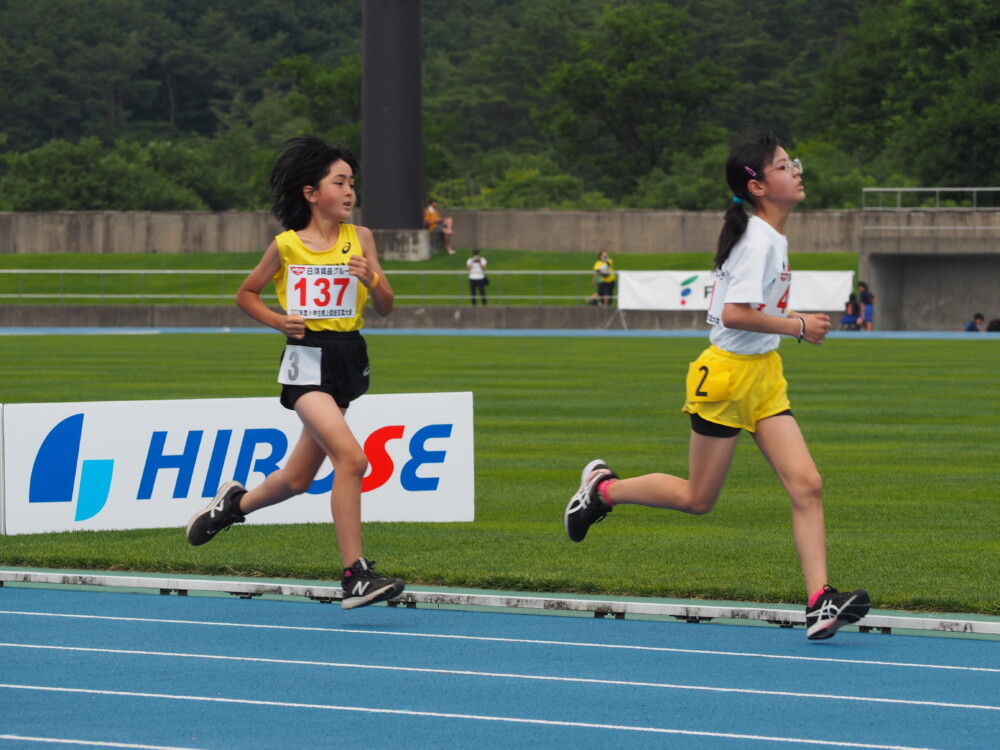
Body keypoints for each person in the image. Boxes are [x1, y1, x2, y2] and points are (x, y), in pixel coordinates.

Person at [563, 132, 870, 641]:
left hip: (763, 376)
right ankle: (603, 491)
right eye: (782, 166)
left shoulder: (768, 236)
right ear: (756, 186)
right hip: (726, 378)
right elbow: (733, 314)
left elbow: (748, 310)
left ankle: (820, 600)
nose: (795, 170)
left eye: (791, 163)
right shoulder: (756, 239)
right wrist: (798, 327)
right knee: (698, 498)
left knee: (807, 485)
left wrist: (790, 322)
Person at [185, 136, 404, 611]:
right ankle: (356, 574)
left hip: (348, 355)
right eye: (339, 182)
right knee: (352, 460)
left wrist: (373, 281)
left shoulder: (361, 238)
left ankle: (232, 506)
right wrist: (278, 320)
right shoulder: (285, 246)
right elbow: (246, 294)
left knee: (297, 479)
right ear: (310, 192)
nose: (349, 192)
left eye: (352, 183)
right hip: (305, 360)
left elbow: (386, 306)